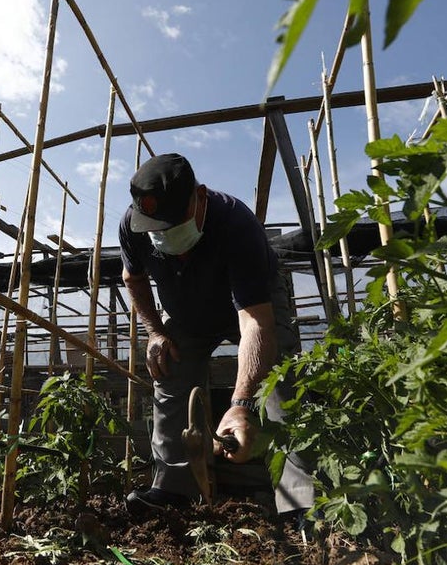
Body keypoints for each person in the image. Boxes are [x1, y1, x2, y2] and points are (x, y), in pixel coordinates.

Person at [118, 152, 315, 518]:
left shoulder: (236, 224)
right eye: (155, 228)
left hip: (250, 305)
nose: (163, 235)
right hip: (186, 310)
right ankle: (174, 491)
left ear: (201, 197)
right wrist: (156, 332)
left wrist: (241, 405)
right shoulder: (132, 225)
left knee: (280, 380)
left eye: (172, 224)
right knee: (170, 374)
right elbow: (133, 278)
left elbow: (256, 322)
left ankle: (299, 499)